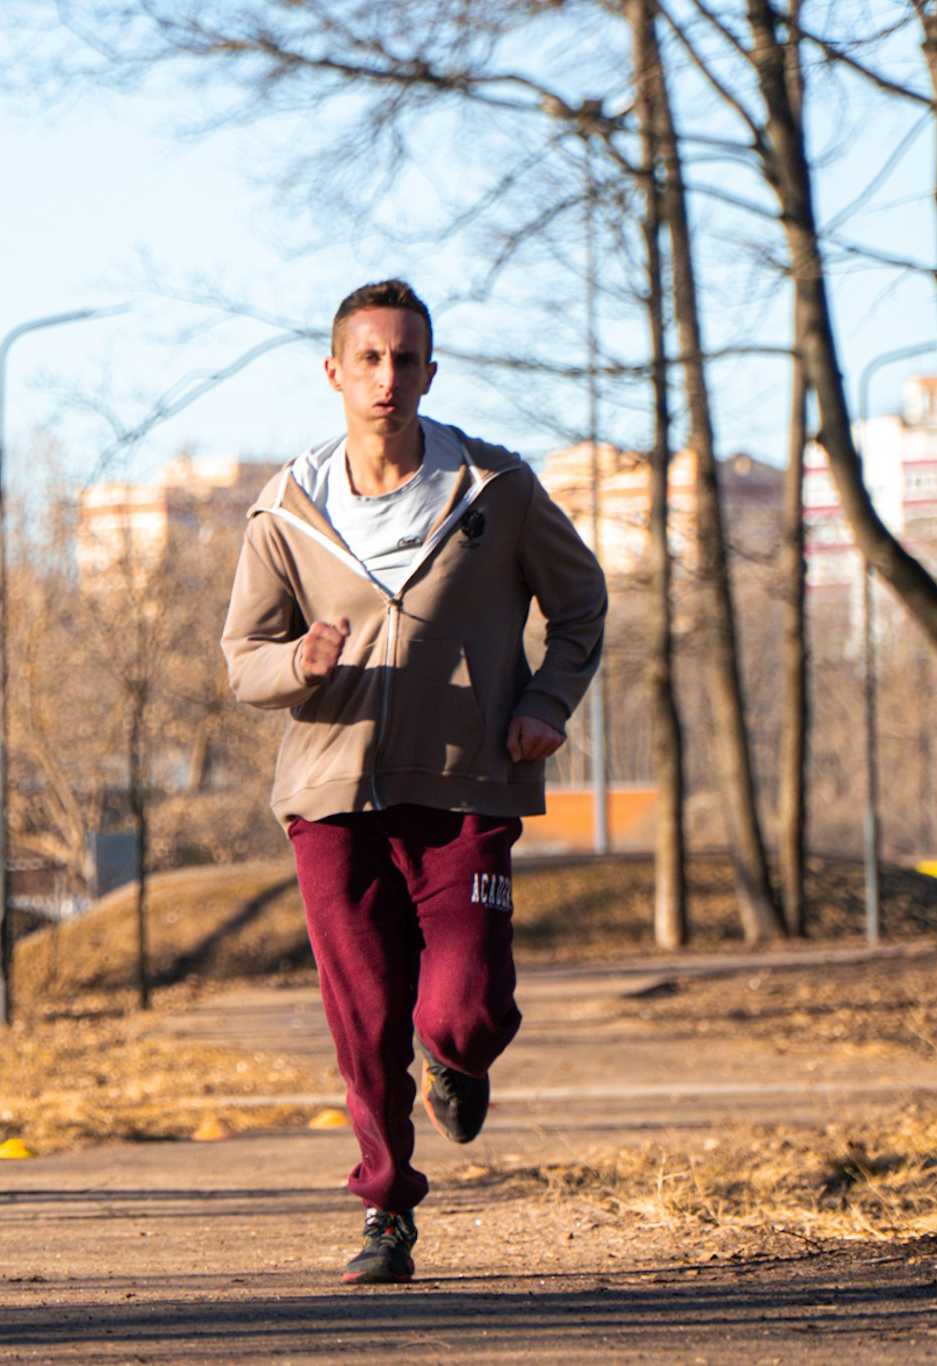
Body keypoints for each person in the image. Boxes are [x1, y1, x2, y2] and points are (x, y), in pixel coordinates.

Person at [220, 279, 605, 1285]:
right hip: (329, 792)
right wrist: (296, 662)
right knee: (362, 1015)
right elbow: (240, 656)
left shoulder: (493, 487)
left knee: (462, 1009)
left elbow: (579, 605)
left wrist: (544, 705)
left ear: (428, 372)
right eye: (369, 359)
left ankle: (457, 1059)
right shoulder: (286, 507)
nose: (386, 377)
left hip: (467, 781)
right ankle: (384, 1207)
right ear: (334, 373)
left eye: (405, 359)